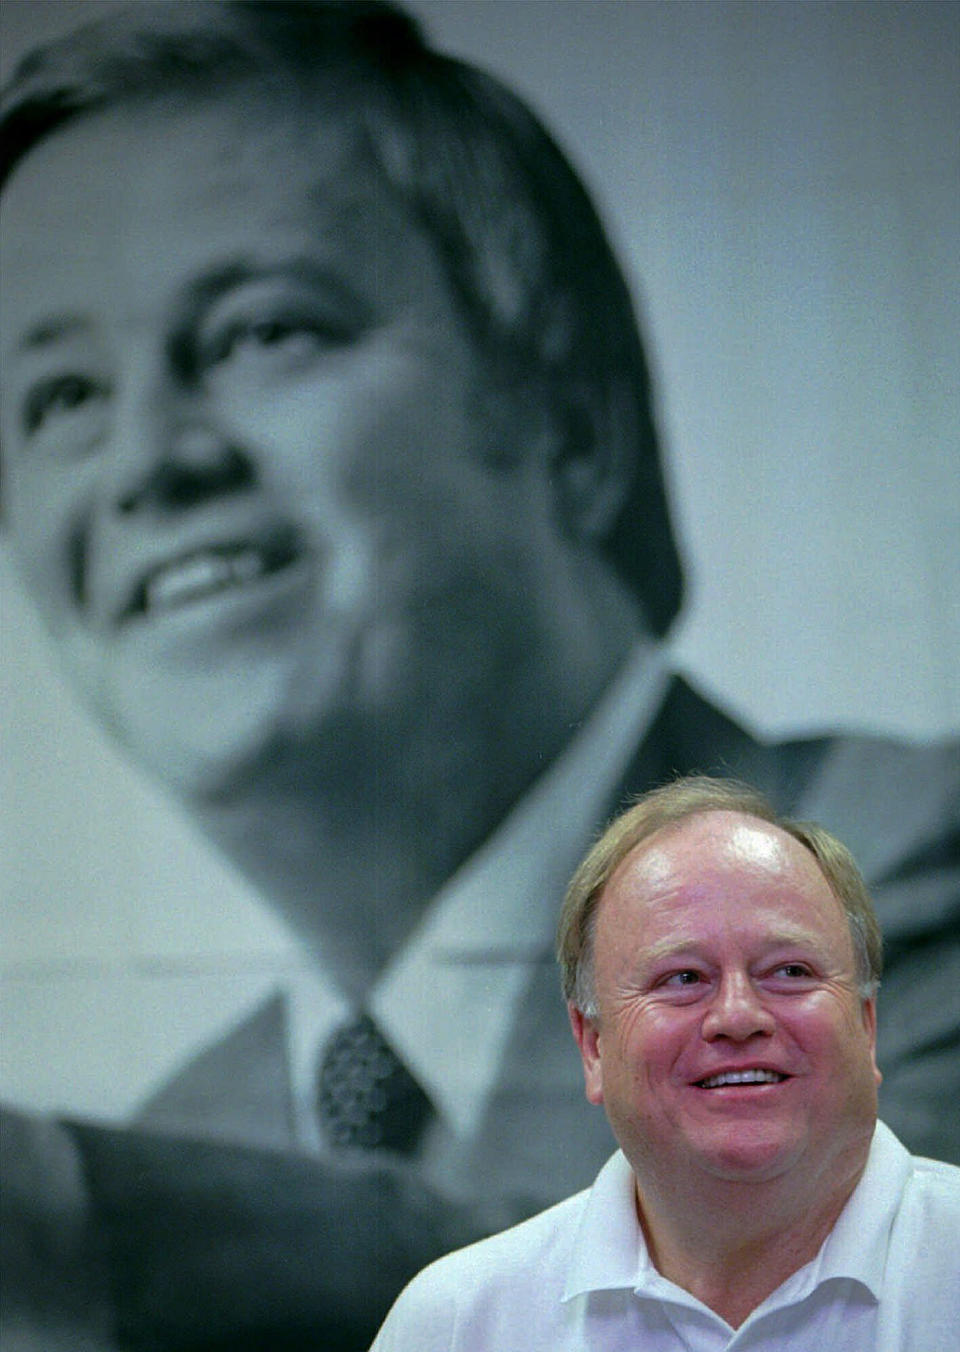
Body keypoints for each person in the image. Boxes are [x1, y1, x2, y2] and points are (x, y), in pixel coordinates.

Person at [0, 3, 957, 1348]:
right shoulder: (185, 1135)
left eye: (262, 332)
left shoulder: (916, 866)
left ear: (568, 414)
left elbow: (744, 1250)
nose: (146, 458)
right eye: (59, 399)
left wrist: (61, 1217)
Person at [371, 775, 960, 1349]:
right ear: (593, 1046)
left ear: (866, 1023)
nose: (737, 1015)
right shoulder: (458, 1324)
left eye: (789, 972)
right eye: (682, 978)